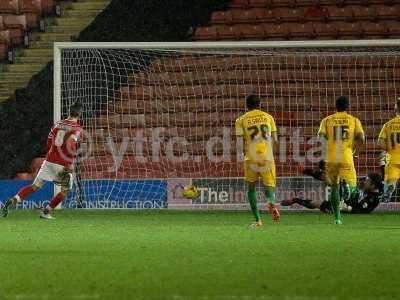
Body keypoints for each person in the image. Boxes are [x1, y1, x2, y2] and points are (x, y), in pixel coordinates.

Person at [2, 103, 83, 219]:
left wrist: (51, 154)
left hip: (49, 160)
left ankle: (13, 199)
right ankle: (46, 212)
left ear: (69, 112)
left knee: (34, 186)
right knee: (65, 190)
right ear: (80, 114)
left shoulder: (58, 124)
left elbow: (49, 141)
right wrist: (70, 163)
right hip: (62, 163)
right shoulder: (76, 128)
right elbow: (71, 144)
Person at [317, 96, 365, 224]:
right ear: (347, 107)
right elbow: (361, 138)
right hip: (346, 157)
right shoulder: (354, 120)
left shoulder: (326, 121)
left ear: (335, 106)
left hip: (331, 158)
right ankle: (348, 188)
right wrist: (356, 153)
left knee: (333, 188)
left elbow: (320, 140)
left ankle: (337, 219)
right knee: (354, 189)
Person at [235, 95, 280, 228]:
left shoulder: (240, 120)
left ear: (246, 106)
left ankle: (257, 220)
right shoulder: (269, 117)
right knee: (269, 188)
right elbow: (275, 140)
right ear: (259, 105)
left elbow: (239, 143)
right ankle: (270, 201)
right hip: (267, 157)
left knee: (251, 189)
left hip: (251, 158)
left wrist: (243, 154)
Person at [281, 161, 382, 214]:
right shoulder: (367, 190)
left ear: (373, 184)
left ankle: (296, 199)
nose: (364, 182)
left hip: (343, 208)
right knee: (330, 179)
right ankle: (311, 170)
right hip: (345, 199)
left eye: (367, 180)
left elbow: (362, 211)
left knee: (317, 203)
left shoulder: (374, 198)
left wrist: (348, 208)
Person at [378, 98, 400, 203]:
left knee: (390, 181)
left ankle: (388, 191)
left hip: (392, 158)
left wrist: (391, 148)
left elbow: (380, 143)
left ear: (396, 109)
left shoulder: (388, 125)